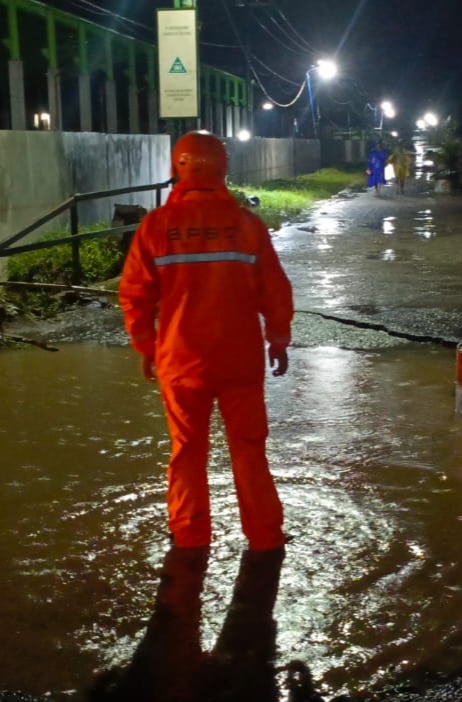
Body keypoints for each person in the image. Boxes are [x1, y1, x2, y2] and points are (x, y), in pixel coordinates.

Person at [118, 131, 294, 552]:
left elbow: (134, 294)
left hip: (180, 362)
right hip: (239, 360)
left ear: (176, 167)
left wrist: (146, 347)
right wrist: (278, 338)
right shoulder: (246, 226)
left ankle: (189, 536)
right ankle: (265, 538)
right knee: (249, 451)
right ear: (223, 168)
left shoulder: (156, 227)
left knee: (187, 453)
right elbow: (273, 288)